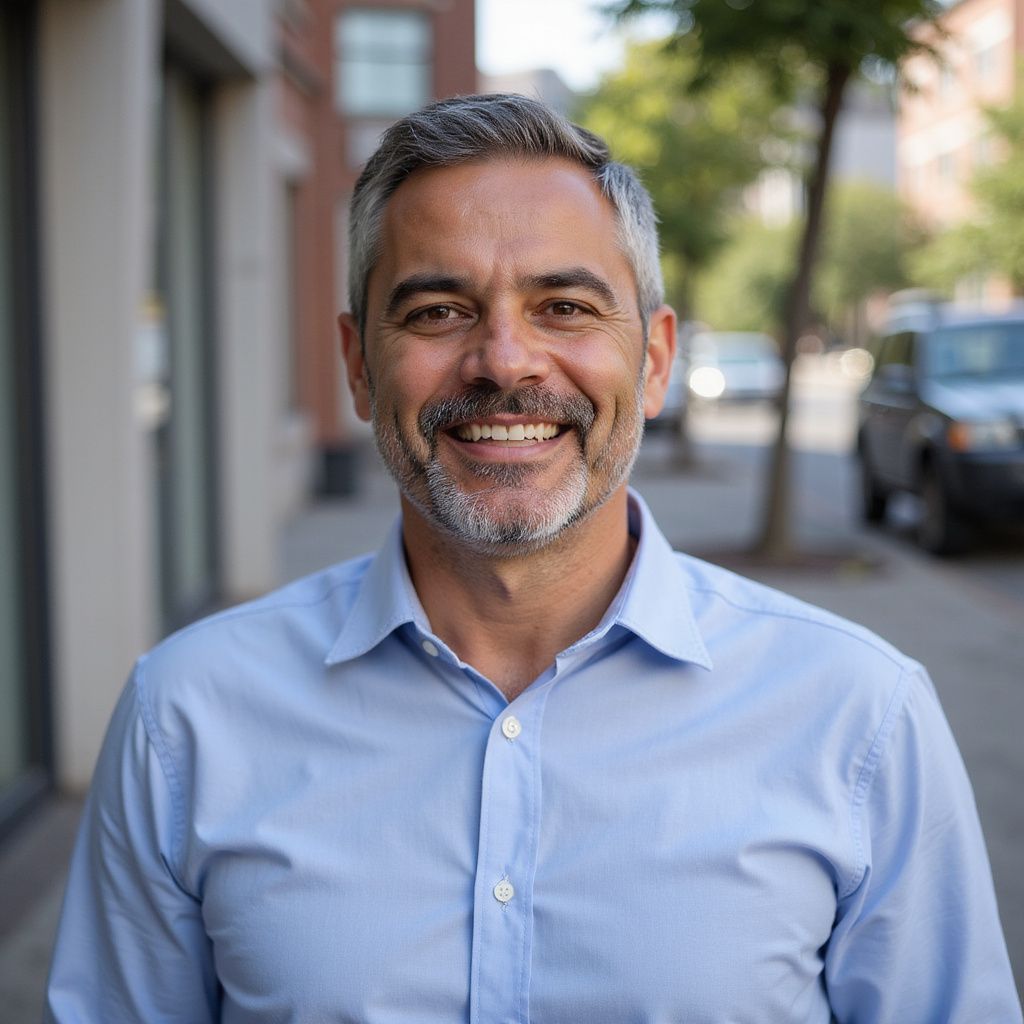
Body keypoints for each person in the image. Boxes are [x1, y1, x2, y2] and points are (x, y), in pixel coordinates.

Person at [45, 94, 1020, 1022]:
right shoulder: (186, 718)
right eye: (438, 311)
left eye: (564, 307)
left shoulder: (857, 715)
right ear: (357, 364)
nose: (505, 361)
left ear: (653, 361)